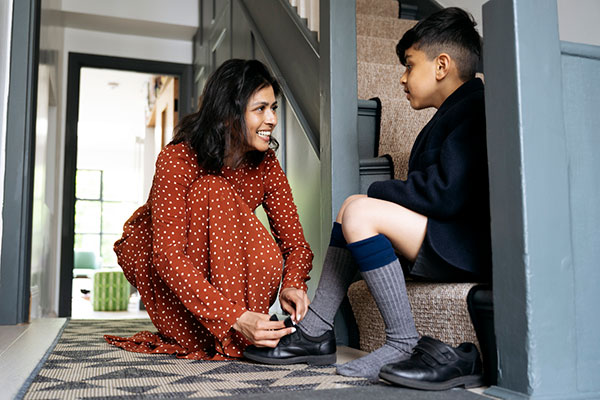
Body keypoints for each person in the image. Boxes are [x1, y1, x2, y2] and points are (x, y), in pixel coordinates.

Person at [244, 7, 490, 390]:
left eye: (410, 65)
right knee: (351, 208)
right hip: (447, 236)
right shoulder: (449, 114)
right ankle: (317, 328)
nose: (403, 78)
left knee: (360, 208)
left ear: (441, 66)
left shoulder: (474, 109)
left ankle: (402, 341)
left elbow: (443, 194)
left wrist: (379, 192)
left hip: (464, 246)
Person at [105, 59, 313, 360]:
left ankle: (244, 330)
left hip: (236, 296)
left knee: (220, 196)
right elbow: (167, 257)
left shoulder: (266, 164)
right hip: (180, 296)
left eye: (274, 108)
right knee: (211, 188)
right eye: (260, 109)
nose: (272, 119)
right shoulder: (177, 159)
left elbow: (295, 244)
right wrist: (234, 318)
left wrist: (292, 285)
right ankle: (235, 331)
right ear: (228, 115)